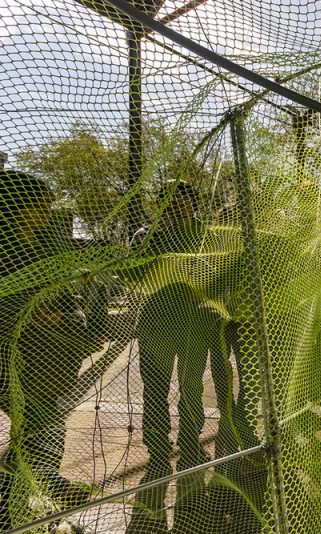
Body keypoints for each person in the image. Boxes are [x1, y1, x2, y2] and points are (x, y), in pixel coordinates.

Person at [0, 170, 104, 528]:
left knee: (40, 429)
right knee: (42, 429)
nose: (46, 209)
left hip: (42, 363)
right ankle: (16, 498)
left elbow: (62, 292)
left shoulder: (42, 246)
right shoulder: (6, 250)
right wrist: (29, 314)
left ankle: (18, 494)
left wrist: (70, 311)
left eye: (48, 203)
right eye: (39, 203)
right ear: (17, 206)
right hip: (10, 360)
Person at [127, 181, 221, 534]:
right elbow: (136, 276)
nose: (172, 207)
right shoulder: (144, 236)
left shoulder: (205, 235)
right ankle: (157, 446)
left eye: (180, 201)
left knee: (191, 388)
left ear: (191, 203)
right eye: (165, 202)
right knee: (154, 391)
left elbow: (215, 275)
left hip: (194, 325)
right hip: (156, 326)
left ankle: (190, 443)